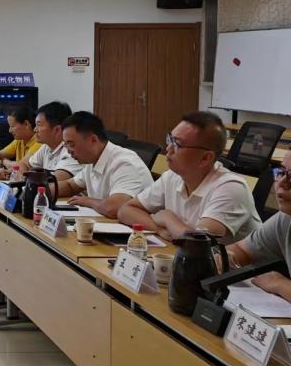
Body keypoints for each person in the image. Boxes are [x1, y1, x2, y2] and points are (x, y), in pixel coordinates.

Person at [118, 111, 260, 245]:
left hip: (230, 263)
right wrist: (159, 229)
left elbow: (198, 243)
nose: (168, 149)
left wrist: (168, 218)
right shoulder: (173, 177)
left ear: (205, 158)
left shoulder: (231, 188)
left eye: (177, 144)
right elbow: (126, 210)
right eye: (170, 139)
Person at [56, 111, 153, 218]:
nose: (68, 151)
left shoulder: (125, 163)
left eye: (71, 144)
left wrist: (87, 201)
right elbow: (70, 185)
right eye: (66, 145)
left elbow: (113, 208)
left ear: (93, 140)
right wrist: (43, 191)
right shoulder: (92, 159)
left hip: (133, 227)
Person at [227, 153, 291, 301]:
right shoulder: (285, 219)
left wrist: (281, 284)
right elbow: (243, 250)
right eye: (281, 172)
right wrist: (223, 257)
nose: (282, 183)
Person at [13, 101, 81, 181]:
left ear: (57, 130)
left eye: (39, 125)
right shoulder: (46, 147)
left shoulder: (71, 151)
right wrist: (22, 177)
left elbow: (53, 182)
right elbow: (23, 163)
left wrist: (25, 178)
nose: (35, 130)